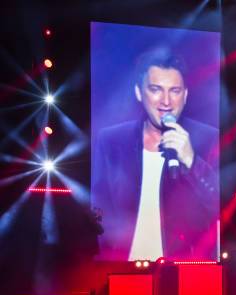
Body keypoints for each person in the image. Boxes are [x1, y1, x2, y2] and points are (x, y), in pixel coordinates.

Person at [92, 46, 219, 261]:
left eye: (175, 91)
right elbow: (97, 209)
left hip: (182, 275)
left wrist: (191, 162)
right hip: (122, 272)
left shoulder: (208, 139)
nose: (166, 101)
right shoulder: (112, 141)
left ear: (185, 95)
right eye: (156, 89)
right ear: (139, 92)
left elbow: (219, 206)